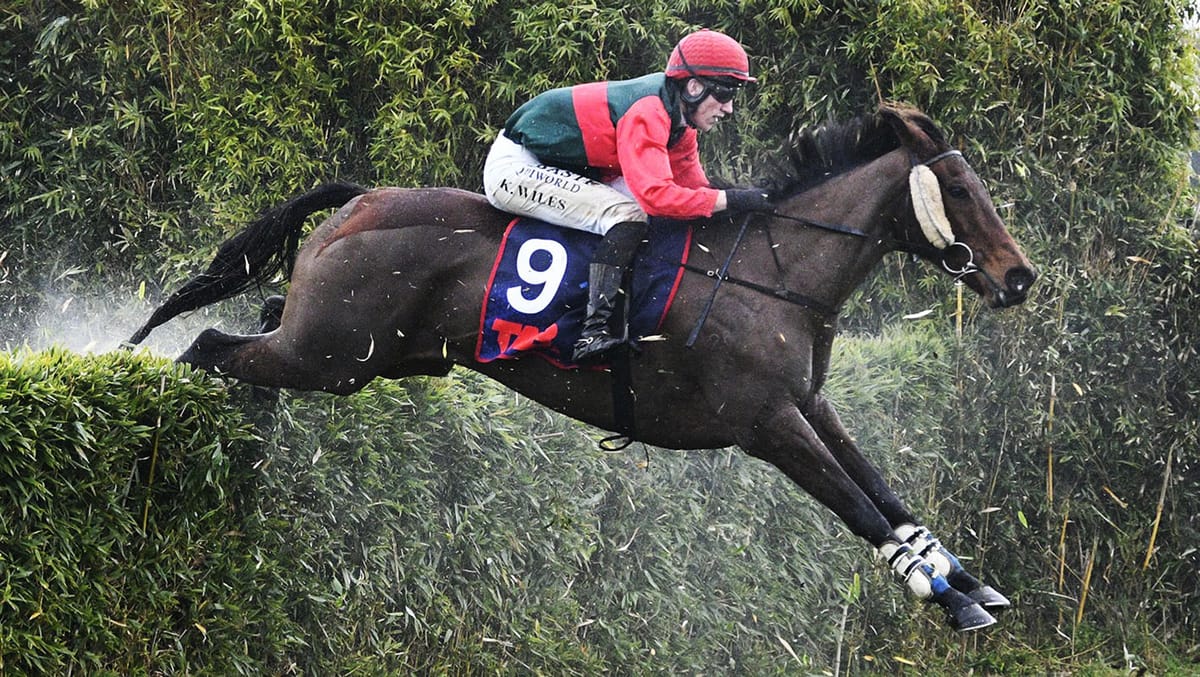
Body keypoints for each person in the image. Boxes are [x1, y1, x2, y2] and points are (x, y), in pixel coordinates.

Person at [483, 28, 773, 363]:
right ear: (694, 87)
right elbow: (657, 197)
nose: (729, 109)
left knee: (646, 212)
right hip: (516, 168)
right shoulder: (649, 111)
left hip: (559, 165)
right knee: (628, 214)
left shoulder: (680, 126)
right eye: (724, 95)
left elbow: (695, 193)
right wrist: (731, 200)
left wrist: (748, 203)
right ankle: (591, 332)